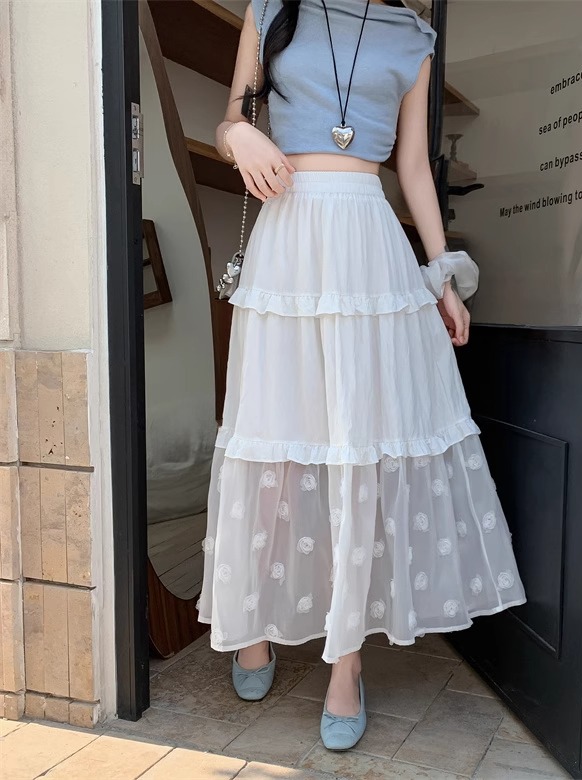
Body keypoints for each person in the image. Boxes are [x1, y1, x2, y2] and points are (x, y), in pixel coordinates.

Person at [196, 0, 526, 751]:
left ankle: (345, 661)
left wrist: (442, 275)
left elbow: (412, 167)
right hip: (288, 239)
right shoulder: (270, 10)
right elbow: (230, 121)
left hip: (368, 243)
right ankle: (252, 621)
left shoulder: (412, 37)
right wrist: (239, 133)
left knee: (359, 448)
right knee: (272, 438)